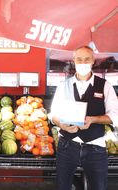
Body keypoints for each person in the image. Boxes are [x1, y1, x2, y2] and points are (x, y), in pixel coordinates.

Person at [50, 46, 118, 190]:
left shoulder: (105, 86)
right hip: (67, 145)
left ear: (93, 60)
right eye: (79, 59)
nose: (83, 62)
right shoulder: (63, 85)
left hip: (96, 146)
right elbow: (54, 114)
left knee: (98, 187)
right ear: (74, 60)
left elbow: (114, 115)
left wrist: (93, 119)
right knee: (63, 186)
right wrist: (61, 125)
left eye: (87, 59)